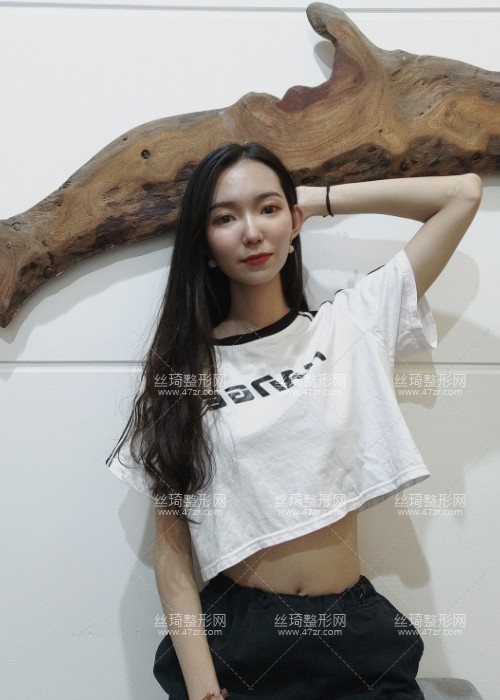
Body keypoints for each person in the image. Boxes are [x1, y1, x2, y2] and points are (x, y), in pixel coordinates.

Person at [105, 142, 482, 699]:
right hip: (241, 640)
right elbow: (173, 554)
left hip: (352, 632)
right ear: (204, 244)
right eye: (225, 218)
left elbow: (461, 195)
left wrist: (314, 199)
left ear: (294, 221)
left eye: (268, 209)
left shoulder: (351, 324)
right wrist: (205, 692)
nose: (252, 232)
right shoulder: (183, 376)